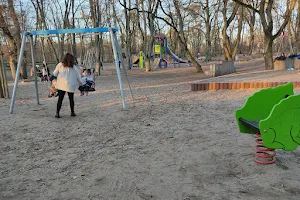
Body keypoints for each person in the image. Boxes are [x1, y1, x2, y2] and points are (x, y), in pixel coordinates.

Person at [53, 53, 84, 118]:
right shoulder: (74, 67)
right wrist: (82, 84)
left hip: (61, 85)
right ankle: (72, 112)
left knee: (60, 99)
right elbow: (78, 77)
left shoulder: (60, 65)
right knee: (71, 99)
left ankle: (57, 113)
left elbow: (54, 74)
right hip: (70, 85)